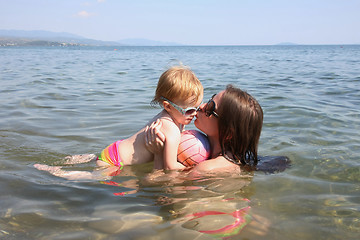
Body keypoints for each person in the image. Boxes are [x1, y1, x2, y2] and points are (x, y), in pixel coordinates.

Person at [35, 66, 203, 179]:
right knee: (91, 178)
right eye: (189, 110)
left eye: (196, 108)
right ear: (168, 106)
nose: (194, 114)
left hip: (115, 150)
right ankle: (58, 172)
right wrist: (193, 169)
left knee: (96, 161)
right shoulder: (171, 129)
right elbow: (170, 167)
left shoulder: (168, 116)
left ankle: (82, 158)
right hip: (115, 162)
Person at [145, 84, 263, 175]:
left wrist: (159, 153)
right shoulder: (235, 158)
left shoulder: (207, 169)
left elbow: (165, 194)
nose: (201, 106)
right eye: (210, 99)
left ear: (228, 132)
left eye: (210, 108)